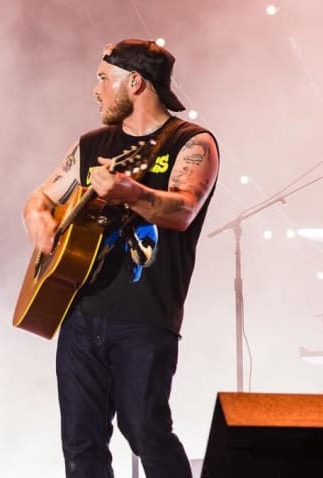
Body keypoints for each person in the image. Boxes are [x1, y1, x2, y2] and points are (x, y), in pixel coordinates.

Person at [22, 39, 220, 477]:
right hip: (79, 313)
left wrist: (132, 192)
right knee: (80, 444)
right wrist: (39, 221)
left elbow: (184, 209)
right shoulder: (93, 143)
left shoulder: (191, 142)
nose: (95, 91)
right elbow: (40, 197)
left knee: (145, 429)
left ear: (134, 82)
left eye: (102, 79)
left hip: (145, 315)